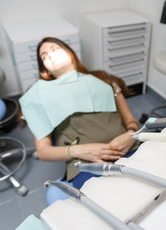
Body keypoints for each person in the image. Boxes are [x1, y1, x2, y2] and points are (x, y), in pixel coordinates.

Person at [18, 37, 139, 188]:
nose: (50, 55)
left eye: (55, 49)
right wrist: (79, 151)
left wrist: (131, 135)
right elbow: (43, 151)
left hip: (127, 149)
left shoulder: (103, 78)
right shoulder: (38, 95)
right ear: (45, 69)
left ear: (70, 53)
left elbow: (131, 122)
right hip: (88, 163)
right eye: (44, 56)